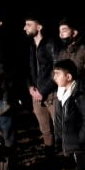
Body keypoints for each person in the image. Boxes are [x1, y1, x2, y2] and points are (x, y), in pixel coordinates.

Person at [23, 16, 59, 156]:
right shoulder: (30, 46)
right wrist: (30, 87)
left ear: (39, 27)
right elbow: (27, 69)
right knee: (45, 129)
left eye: (28, 24)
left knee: (59, 126)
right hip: (36, 92)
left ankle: (67, 158)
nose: (25, 28)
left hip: (51, 92)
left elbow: (57, 70)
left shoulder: (51, 43)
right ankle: (50, 155)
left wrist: (43, 90)